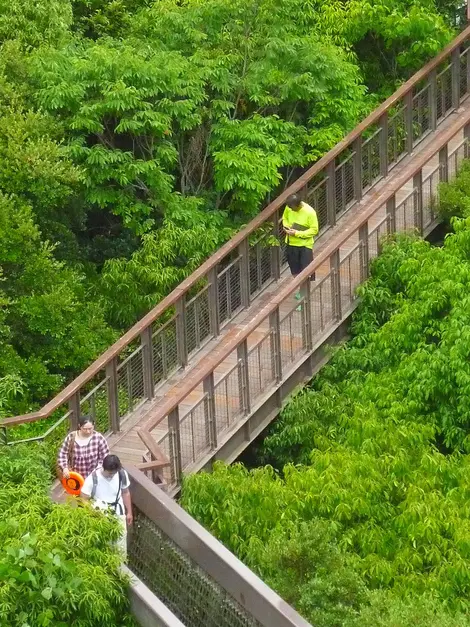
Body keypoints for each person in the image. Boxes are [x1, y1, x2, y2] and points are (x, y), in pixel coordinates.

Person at [81, 454, 133, 557]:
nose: (112, 475)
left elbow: (125, 492)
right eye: (109, 473)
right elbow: (83, 498)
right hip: (100, 514)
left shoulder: (121, 474)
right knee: (103, 542)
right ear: (103, 468)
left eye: (114, 473)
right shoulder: (93, 478)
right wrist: (93, 513)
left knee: (120, 541)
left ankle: (120, 565)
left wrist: (129, 512)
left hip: (118, 511)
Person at [282, 194, 319, 307]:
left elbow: (314, 230)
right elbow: (285, 218)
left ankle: (303, 298)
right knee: (295, 271)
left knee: (305, 273)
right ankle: (301, 290)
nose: (291, 209)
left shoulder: (309, 212)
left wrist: (297, 233)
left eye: (293, 208)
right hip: (291, 243)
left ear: (298, 205)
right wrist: (287, 226)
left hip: (304, 246)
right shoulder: (289, 208)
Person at [57, 415, 110, 481]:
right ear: (79, 426)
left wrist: (98, 470)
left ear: (94, 425)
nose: (88, 431)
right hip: (74, 477)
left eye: (90, 428)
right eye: (85, 429)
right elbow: (62, 454)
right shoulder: (71, 437)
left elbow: (105, 457)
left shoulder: (98, 438)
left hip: (94, 477)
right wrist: (65, 468)